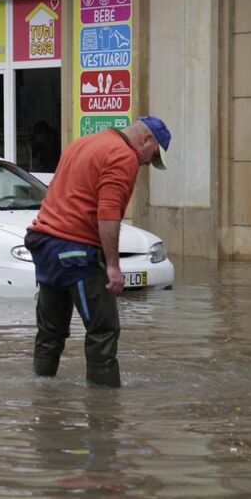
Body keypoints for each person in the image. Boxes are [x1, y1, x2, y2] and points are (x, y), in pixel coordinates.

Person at [24, 116, 171, 388]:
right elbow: (108, 214)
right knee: (103, 330)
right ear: (146, 140)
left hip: (44, 244)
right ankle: (105, 413)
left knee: (50, 331)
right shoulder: (123, 156)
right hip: (75, 251)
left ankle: (42, 396)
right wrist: (113, 267)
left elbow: (55, 193)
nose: (149, 162)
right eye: (153, 155)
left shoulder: (83, 144)